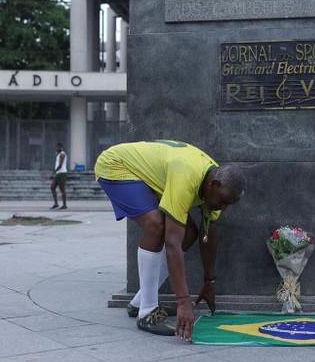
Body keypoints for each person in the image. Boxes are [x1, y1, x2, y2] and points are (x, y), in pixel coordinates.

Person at [94, 140, 245, 341]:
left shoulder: (214, 184)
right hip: (116, 165)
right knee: (157, 225)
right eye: (223, 202)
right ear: (214, 185)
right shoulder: (187, 176)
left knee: (189, 234)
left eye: (229, 205)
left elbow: (207, 235)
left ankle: (140, 302)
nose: (223, 208)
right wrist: (183, 301)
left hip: (147, 176)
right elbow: (172, 244)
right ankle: (147, 312)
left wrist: (209, 281)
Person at [50, 142, 68, 210]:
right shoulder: (58, 154)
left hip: (62, 173)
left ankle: (64, 205)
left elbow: (60, 165)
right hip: (58, 173)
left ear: (61, 148)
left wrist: (54, 172)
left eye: (58, 147)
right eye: (56, 147)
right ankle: (56, 204)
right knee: (52, 187)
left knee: (62, 189)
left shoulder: (62, 154)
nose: (57, 148)